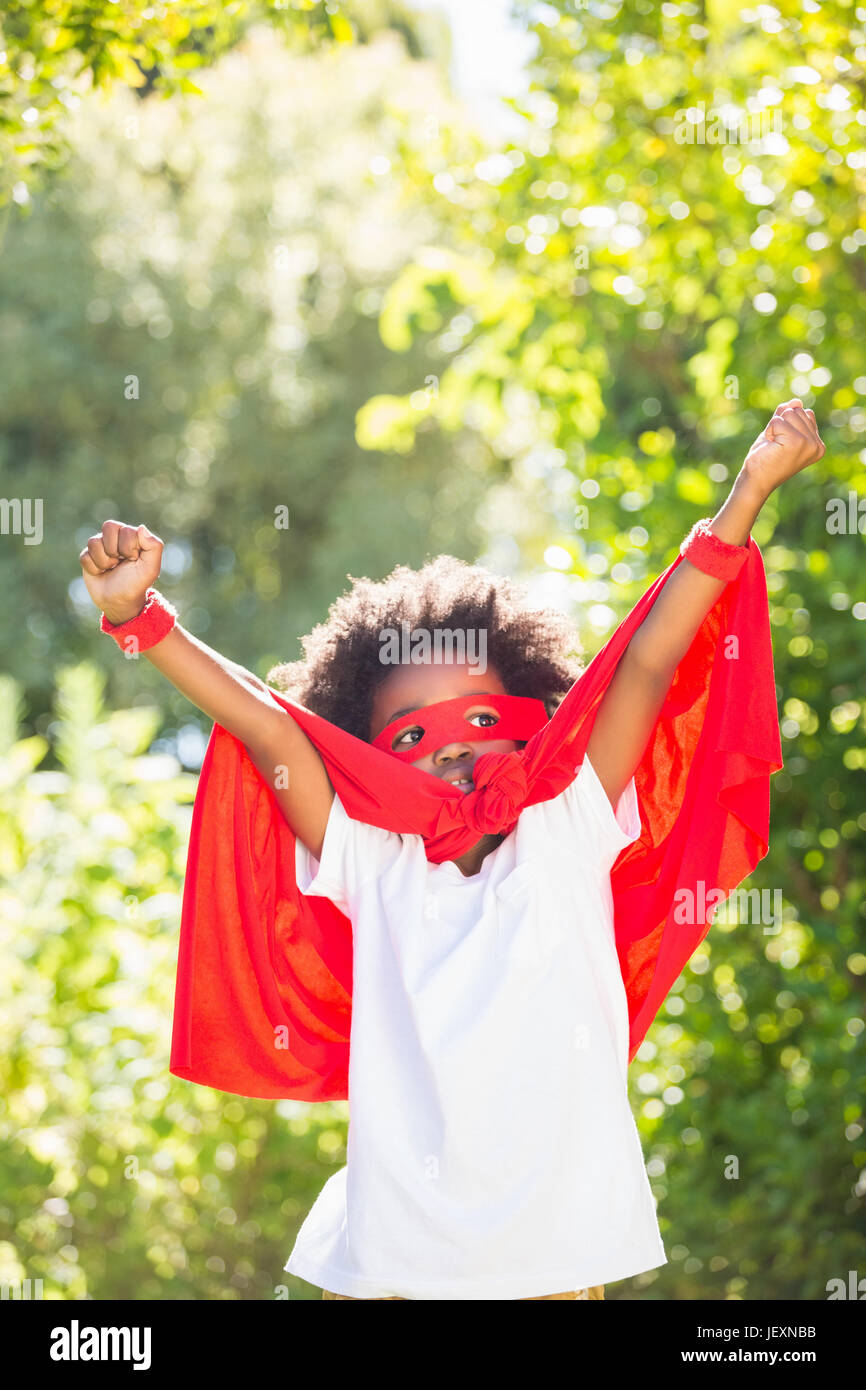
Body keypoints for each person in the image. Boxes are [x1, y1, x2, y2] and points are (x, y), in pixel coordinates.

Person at [80, 399, 824, 1300]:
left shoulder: (571, 822)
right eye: (414, 736)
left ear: (533, 719)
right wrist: (143, 618)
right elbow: (272, 730)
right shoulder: (372, 859)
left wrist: (747, 492)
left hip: (556, 1262)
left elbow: (643, 662)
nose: (452, 746)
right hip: (399, 1265)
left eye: (480, 719)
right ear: (366, 751)